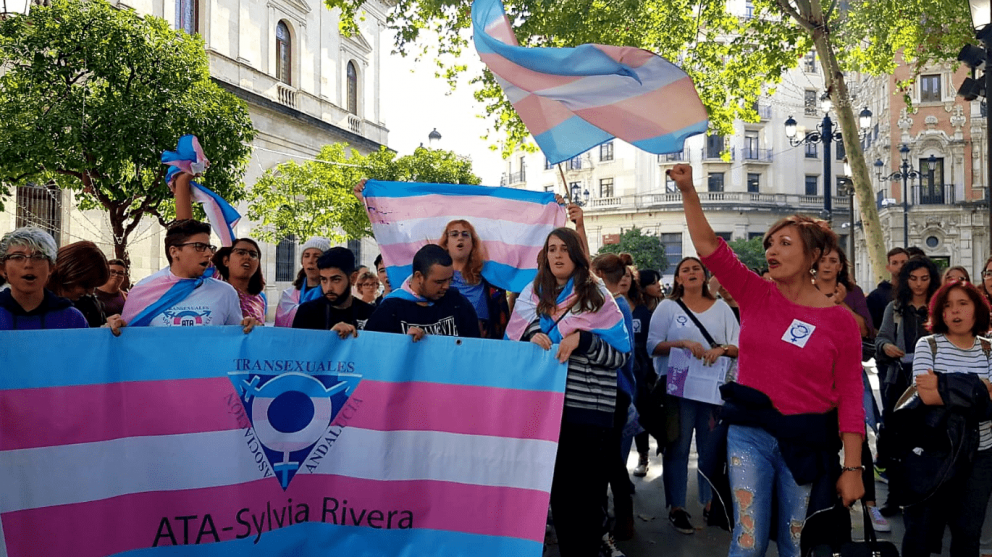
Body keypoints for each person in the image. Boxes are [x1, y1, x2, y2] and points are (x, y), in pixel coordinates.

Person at [669, 163, 864, 557]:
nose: (772, 251)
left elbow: (851, 395)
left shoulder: (841, 322)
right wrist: (689, 191)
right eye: (769, 245)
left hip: (807, 442)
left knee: (797, 545)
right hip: (748, 435)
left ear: (814, 255)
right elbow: (710, 248)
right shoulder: (756, 293)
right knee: (748, 540)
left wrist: (853, 469)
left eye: (784, 243)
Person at [505, 227, 630, 557]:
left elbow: (621, 355)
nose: (557, 255)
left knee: (586, 504)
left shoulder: (597, 295)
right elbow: (512, 340)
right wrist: (532, 336)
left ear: (577, 254)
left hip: (588, 415)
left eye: (564, 248)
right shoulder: (532, 294)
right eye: (551, 249)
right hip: (544, 411)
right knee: (558, 497)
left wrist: (582, 340)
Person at [647, 256, 740, 534]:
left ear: (704, 275)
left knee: (711, 450)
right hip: (678, 391)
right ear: (677, 279)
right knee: (677, 447)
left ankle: (710, 502)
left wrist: (720, 350)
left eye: (696, 268)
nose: (691, 272)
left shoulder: (722, 308)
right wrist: (682, 343)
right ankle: (676, 507)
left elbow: (737, 345)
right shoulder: (667, 307)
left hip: (713, 392)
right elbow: (652, 345)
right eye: (685, 269)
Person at [902, 280, 992, 557]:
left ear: (977, 309)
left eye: (963, 304)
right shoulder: (929, 345)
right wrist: (979, 387)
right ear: (939, 313)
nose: (955, 311)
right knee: (921, 532)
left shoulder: (989, 348)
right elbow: (926, 395)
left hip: (981, 455)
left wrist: (944, 384)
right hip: (933, 453)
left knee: (968, 534)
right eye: (948, 306)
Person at [813, 245, 889, 531]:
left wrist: (839, 304)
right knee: (822, 442)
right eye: (823, 260)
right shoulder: (802, 290)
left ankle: (871, 507)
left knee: (858, 440)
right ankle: (823, 505)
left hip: (847, 376)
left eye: (834, 260)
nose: (828, 265)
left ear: (841, 266)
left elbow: (864, 330)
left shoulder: (853, 293)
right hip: (813, 381)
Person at [873, 256, 941, 517]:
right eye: (913, 279)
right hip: (900, 380)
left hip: (933, 382)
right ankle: (894, 496)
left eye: (924, 279)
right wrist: (886, 347)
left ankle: (926, 496)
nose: (919, 284)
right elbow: (881, 338)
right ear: (905, 280)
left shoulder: (939, 308)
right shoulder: (896, 307)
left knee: (929, 439)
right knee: (895, 442)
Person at [121, 219, 258, 332]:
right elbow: (125, 340)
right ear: (174, 251)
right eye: (199, 246)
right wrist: (110, 328)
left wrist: (250, 328)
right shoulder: (142, 291)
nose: (209, 254)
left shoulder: (226, 293)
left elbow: (236, 340)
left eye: (209, 247)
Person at [592, 253, 639, 541]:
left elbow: (622, 356)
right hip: (617, 392)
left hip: (611, 391)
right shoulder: (616, 303)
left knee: (607, 461)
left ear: (596, 274)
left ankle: (617, 517)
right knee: (610, 460)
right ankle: (619, 516)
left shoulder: (613, 305)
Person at [365, 244, 481, 340]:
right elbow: (373, 350)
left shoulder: (458, 303)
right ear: (419, 276)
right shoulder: (390, 309)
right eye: (439, 282)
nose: (446, 286)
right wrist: (403, 342)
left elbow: (474, 349)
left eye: (450, 280)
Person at [0, 227, 88, 330]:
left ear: (51, 267)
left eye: (38, 257)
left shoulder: (72, 318)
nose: (28, 264)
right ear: (2, 268)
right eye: (18, 257)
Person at [437, 219, 511, 339]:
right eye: (454, 234)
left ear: (473, 243)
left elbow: (502, 323)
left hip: (481, 346)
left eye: (465, 234)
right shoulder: (435, 278)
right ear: (446, 243)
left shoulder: (489, 281)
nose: (460, 238)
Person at [293, 247, 375, 336]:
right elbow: (299, 347)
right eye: (324, 280)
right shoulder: (307, 312)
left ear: (353, 278)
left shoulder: (370, 314)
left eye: (336, 280)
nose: (329, 288)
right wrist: (330, 337)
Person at [632, 269, 663, 477]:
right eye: (653, 282)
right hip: (638, 373)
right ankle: (643, 456)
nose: (659, 285)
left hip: (659, 372)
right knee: (639, 416)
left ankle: (666, 448)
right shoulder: (636, 311)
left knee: (660, 416)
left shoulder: (665, 308)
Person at [46, 241, 113, 328]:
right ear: (69, 273)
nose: (90, 292)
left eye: (94, 286)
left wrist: (105, 330)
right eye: (86, 285)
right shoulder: (29, 302)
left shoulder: (88, 306)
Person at [275, 237, 330, 327]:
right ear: (302, 261)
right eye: (306, 255)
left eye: (317, 256)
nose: (310, 261)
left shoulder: (330, 295)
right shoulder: (288, 295)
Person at [212, 238, 266, 323]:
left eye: (253, 254)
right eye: (241, 252)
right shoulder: (216, 294)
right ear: (226, 261)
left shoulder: (260, 299)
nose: (247, 257)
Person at [867, 247, 910, 331]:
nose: (900, 266)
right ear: (888, 267)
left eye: (903, 262)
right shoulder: (876, 296)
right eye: (895, 263)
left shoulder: (918, 292)